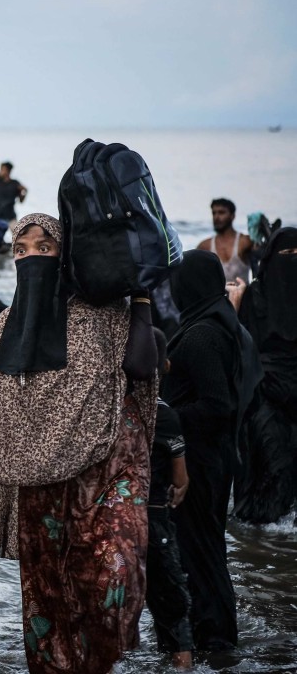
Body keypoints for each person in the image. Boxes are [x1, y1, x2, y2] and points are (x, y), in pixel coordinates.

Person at [0, 213, 158, 673]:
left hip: (107, 475)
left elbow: (139, 366)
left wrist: (139, 295)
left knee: (115, 579)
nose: (30, 256)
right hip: (41, 490)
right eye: (20, 249)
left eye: (44, 246)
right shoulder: (5, 326)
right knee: (50, 598)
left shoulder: (104, 313)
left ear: (66, 252)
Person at [162, 249, 260, 652]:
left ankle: (216, 641)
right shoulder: (217, 322)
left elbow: (217, 406)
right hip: (211, 459)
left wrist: (165, 417)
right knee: (205, 550)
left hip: (200, 463)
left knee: (201, 552)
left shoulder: (202, 334)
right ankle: (212, 635)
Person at [234, 228, 297, 524]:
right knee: (273, 464)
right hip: (264, 396)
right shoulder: (254, 297)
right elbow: (244, 348)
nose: (292, 262)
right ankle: (259, 541)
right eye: (287, 255)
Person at [145, 330, 194, 670]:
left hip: (109, 520)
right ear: (165, 365)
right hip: (153, 518)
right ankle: (181, 663)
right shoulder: (164, 414)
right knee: (172, 603)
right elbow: (180, 480)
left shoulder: (107, 408)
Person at [197, 198, 253, 284]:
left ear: (232, 216)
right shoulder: (205, 246)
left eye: (221, 212)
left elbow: (263, 260)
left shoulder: (245, 241)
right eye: (214, 213)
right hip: (218, 297)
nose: (216, 217)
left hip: (244, 295)